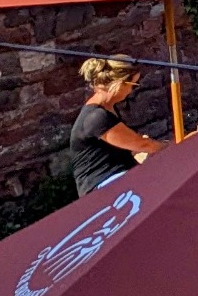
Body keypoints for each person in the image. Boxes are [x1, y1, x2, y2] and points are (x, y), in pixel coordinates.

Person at [69, 57, 164, 197]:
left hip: (117, 175)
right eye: (133, 85)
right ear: (119, 83)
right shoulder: (96, 117)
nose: (132, 91)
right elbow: (142, 144)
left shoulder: (107, 110)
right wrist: (172, 147)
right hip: (103, 184)